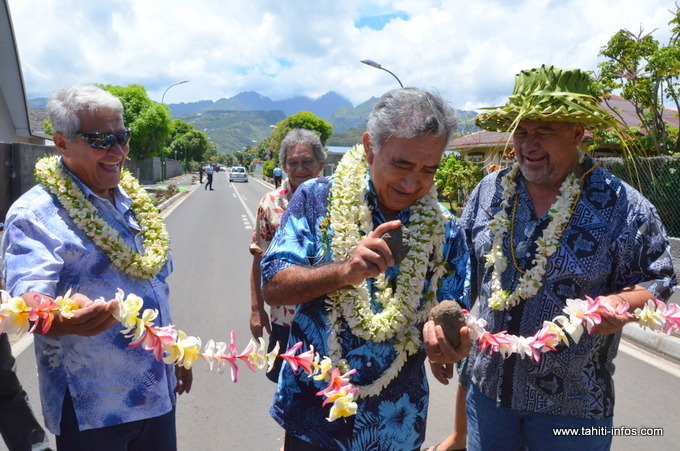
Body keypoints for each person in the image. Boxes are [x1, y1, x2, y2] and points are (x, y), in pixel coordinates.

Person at [460, 65, 676, 450]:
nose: (528, 143)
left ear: (577, 133)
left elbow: (657, 280)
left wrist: (622, 303)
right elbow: (461, 274)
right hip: (487, 396)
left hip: (574, 406)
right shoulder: (488, 192)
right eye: (522, 131)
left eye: (544, 130)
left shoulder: (623, 206)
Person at [260, 88, 472, 450]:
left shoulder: (446, 229)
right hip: (314, 412)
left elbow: (451, 312)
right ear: (370, 146)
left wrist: (448, 342)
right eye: (402, 165)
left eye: (428, 170)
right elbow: (274, 285)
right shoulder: (315, 198)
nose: (411, 183)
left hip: (395, 423)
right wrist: (344, 271)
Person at [1, 84, 192, 450]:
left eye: (123, 137)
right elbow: (30, 302)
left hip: (156, 393)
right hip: (96, 412)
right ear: (61, 144)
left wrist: (174, 346)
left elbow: (152, 286)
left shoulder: (133, 200)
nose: (118, 151)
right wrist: (57, 319)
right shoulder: (34, 216)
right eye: (102, 139)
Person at [250, 129, 326, 383]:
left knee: (330, 392)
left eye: (307, 162)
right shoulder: (270, 203)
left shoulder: (338, 199)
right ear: (283, 166)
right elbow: (259, 259)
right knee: (288, 392)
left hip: (330, 321)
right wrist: (256, 309)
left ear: (321, 164)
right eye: (293, 163)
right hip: (285, 320)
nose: (300, 169)